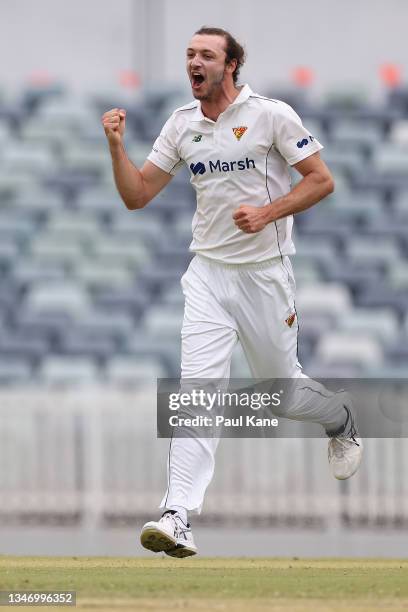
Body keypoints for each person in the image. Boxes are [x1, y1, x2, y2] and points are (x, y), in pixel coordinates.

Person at [102, 26, 363, 558]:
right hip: (208, 275)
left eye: (206, 55)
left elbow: (321, 180)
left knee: (283, 393)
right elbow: (137, 195)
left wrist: (268, 212)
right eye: (189, 55)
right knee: (197, 391)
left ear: (232, 65)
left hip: (265, 274)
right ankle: (177, 516)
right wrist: (115, 147)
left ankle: (340, 418)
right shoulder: (181, 125)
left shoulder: (271, 114)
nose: (194, 63)